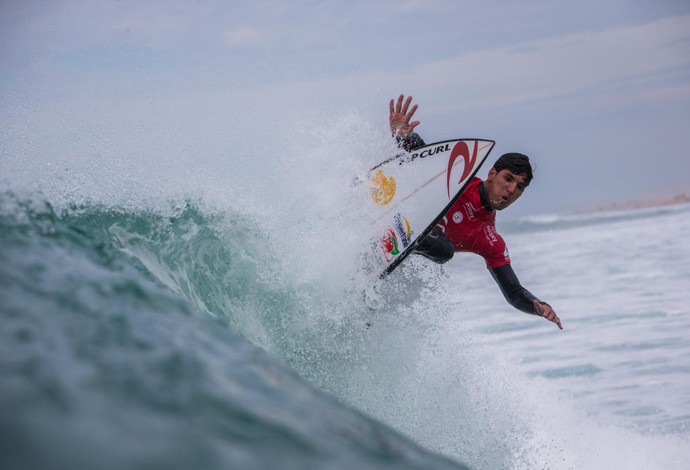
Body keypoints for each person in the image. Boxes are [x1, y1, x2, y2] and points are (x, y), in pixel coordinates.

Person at [389, 94, 563, 330]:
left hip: (395, 265)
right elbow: (424, 156)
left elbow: (513, 291)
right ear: (492, 174)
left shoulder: (489, 239)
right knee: (444, 249)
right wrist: (404, 136)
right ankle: (395, 228)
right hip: (395, 211)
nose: (511, 189)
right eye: (508, 179)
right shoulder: (458, 178)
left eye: (519, 187)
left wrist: (537, 306)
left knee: (442, 252)